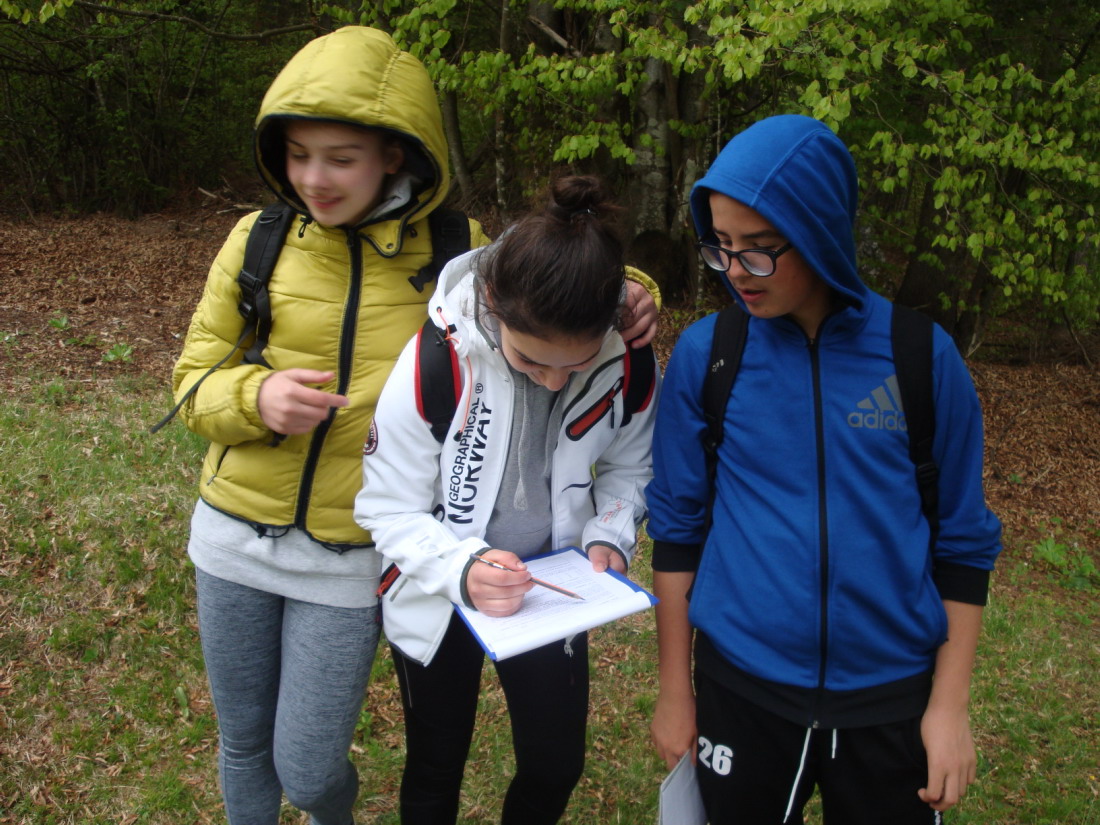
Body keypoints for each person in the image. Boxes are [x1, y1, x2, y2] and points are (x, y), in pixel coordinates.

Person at [170, 27, 658, 825]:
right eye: (299, 155)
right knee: (255, 743)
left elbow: (549, 261)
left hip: (353, 551)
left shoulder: (452, 249)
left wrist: (634, 287)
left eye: (340, 157)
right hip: (248, 529)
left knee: (317, 766)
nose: (314, 177)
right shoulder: (257, 242)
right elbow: (191, 384)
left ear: (395, 154)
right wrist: (253, 398)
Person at [646, 114, 1002, 824]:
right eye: (721, 246)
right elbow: (678, 534)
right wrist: (676, 690)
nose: (735, 270)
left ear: (819, 233)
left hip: (890, 701)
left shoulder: (921, 357)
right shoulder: (709, 356)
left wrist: (949, 706)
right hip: (741, 690)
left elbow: (963, 545)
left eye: (758, 249)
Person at [354, 175, 659, 825]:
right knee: (435, 765)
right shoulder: (436, 358)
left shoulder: (626, 358)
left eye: (573, 366)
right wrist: (461, 568)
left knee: (555, 765)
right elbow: (387, 507)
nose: (551, 379)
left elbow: (632, 464)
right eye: (530, 360)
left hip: (552, 587)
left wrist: (609, 532)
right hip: (436, 591)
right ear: (492, 304)